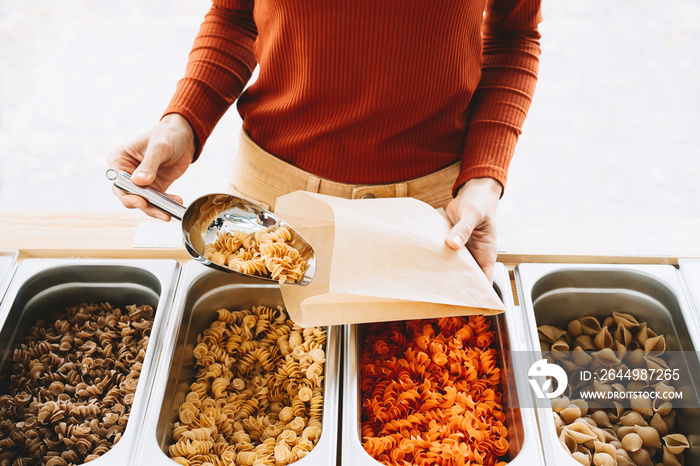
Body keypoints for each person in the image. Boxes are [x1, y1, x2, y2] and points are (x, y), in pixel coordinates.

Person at [108, 0, 542, 283]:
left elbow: (513, 36)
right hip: (269, 211)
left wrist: (484, 179)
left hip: (432, 215)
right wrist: (184, 121)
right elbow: (236, 15)